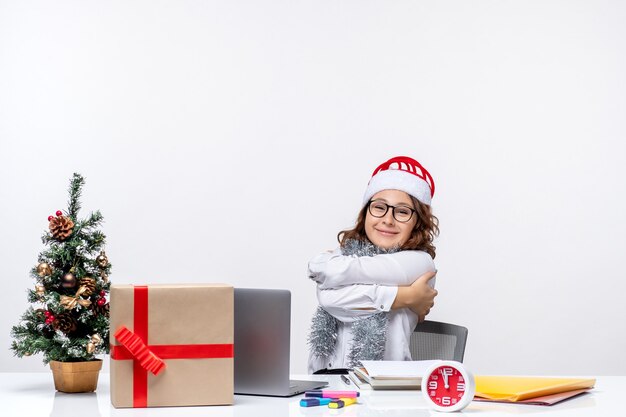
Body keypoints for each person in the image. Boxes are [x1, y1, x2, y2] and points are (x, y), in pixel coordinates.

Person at [307, 156, 439, 374]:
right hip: (323, 382)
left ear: (418, 223)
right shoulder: (345, 254)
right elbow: (324, 286)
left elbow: (329, 295)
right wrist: (402, 297)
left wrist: (338, 277)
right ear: (365, 212)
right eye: (379, 207)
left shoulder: (419, 263)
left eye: (403, 212)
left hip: (384, 387)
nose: (388, 219)